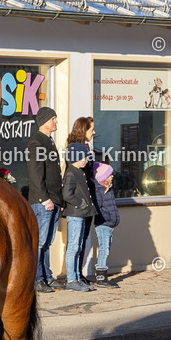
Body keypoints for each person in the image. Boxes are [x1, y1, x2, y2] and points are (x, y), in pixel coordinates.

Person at [26, 107, 64, 293]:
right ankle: (37, 279)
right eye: (53, 118)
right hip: (43, 202)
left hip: (54, 200)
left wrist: (60, 201)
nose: (56, 121)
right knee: (40, 242)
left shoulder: (48, 141)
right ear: (44, 121)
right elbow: (35, 174)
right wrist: (44, 199)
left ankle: (47, 276)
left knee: (47, 241)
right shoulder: (36, 143)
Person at [61, 143, 98, 292]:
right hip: (75, 214)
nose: (86, 160)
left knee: (78, 247)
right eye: (84, 157)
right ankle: (71, 279)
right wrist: (81, 203)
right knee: (73, 247)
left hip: (81, 214)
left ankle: (76, 277)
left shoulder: (78, 171)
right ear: (76, 157)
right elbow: (67, 194)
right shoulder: (71, 172)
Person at [67, 117, 97, 283]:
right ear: (83, 130)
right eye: (91, 129)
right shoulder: (75, 149)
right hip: (80, 201)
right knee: (75, 242)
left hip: (88, 200)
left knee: (82, 239)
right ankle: (74, 276)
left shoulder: (87, 148)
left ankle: (78, 274)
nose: (94, 132)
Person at [92, 162, 120, 288]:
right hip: (103, 225)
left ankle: (101, 275)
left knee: (106, 249)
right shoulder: (99, 191)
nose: (112, 176)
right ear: (104, 177)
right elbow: (98, 209)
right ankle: (101, 277)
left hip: (109, 225)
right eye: (110, 175)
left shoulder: (108, 189)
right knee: (104, 250)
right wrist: (108, 218)